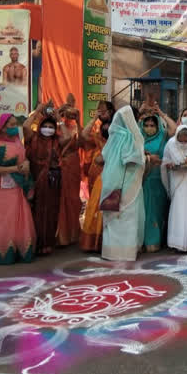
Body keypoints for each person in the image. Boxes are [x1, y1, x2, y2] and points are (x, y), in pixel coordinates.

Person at [0, 113, 35, 264]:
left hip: (16, 189)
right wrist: (16, 168)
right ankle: (4, 255)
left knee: (18, 219)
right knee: (1, 221)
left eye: (15, 124)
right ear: (2, 128)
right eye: (11, 125)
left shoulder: (17, 142)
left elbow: (23, 158)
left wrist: (26, 164)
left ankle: (20, 252)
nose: (14, 128)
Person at [101, 106, 146, 261]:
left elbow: (104, 157)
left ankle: (111, 252)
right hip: (127, 184)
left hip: (111, 184)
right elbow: (133, 160)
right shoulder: (129, 137)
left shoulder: (114, 137)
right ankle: (125, 253)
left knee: (115, 219)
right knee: (126, 219)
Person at [24, 102, 69, 255]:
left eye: (51, 127)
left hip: (53, 181)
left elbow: (68, 136)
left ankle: (48, 243)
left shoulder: (56, 141)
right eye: (45, 126)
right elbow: (25, 127)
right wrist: (37, 111)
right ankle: (34, 243)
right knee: (35, 211)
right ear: (40, 126)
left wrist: (58, 119)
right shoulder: (32, 138)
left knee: (51, 211)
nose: (48, 129)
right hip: (35, 180)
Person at [141, 114, 173, 252]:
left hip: (159, 179)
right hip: (142, 180)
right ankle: (145, 241)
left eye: (152, 125)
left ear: (158, 126)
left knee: (157, 211)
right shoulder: (138, 138)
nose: (149, 128)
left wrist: (160, 112)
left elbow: (175, 129)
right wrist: (147, 157)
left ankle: (155, 240)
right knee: (144, 212)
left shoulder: (163, 137)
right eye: (146, 125)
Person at [80, 119, 110, 252]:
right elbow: (84, 135)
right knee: (94, 208)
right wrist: (94, 118)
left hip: (110, 179)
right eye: (105, 127)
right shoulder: (97, 140)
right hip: (96, 179)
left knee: (107, 210)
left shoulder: (119, 143)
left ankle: (102, 242)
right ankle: (91, 243)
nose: (107, 129)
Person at [56, 105, 82, 246]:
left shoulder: (75, 127)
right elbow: (64, 139)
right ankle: (61, 235)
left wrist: (78, 122)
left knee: (73, 198)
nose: (68, 116)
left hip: (73, 164)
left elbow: (81, 142)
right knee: (61, 198)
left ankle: (73, 233)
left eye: (71, 113)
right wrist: (58, 120)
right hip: (60, 163)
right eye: (66, 113)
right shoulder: (54, 128)